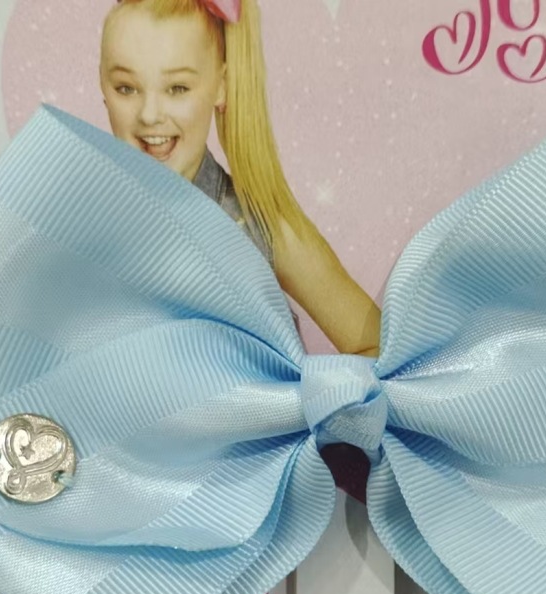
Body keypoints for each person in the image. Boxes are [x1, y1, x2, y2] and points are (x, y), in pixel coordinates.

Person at [99, 0, 380, 358]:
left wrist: (309, 392)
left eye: (178, 88)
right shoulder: (73, 227)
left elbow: (379, 349)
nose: (150, 115)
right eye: (126, 88)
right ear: (102, 84)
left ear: (222, 85)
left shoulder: (264, 226)